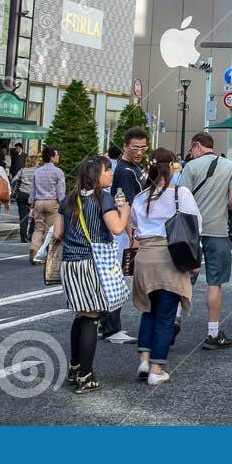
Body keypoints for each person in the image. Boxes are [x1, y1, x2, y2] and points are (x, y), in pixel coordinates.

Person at [58, 154, 131, 394]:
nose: (110, 174)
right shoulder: (104, 199)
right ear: (96, 176)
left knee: (80, 315)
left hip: (70, 263)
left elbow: (58, 232)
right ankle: (86, 376)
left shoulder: (70, 199)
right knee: (91, 317)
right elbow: (117, 228)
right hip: (93, 262)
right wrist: (125, 209)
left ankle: (75, 367)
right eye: (107, 171)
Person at [130, 148, 200, 386]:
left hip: (144, 257)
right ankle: (156, 369)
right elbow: (195, 224)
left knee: (148, 310)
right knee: (165, 315)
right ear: (171, 167)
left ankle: (143, 360)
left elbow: (134, 226)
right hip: (170, 256)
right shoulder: (181, 193)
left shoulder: (140, 197)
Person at [179, 133, 232, 350]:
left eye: (191, 148)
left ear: (197, 146)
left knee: (184, 277)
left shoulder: (190, 167)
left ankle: (174, 320)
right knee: (215, 282)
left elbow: (181, 199)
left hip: (192, 232)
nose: (190, 152)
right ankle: (213, 333)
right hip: (218, 232)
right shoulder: (229, 166)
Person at [102, 129, 148, 344]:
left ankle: (111, 326)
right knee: (116, 276)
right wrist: (132, 233)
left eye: (143, 147)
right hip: (122, 230)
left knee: (118, 276)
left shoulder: (133, 168)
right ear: (125, 146)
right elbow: (124, 204)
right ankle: (111, 328)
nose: (139, 152)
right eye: (135, 148)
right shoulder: (124, 171)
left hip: (125, 228)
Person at [27, 146, 66, 279]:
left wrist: (31, 203)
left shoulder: (37, 172)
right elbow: (60, 191)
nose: (58, 157)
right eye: (56, 155)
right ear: (51, 157)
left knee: (38, 228)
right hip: (52, 202)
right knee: (51, 230)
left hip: (38, 201)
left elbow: (32, 189)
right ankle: (46, 254)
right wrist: (62, 203)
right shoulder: (58, 172)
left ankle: (34, 248)